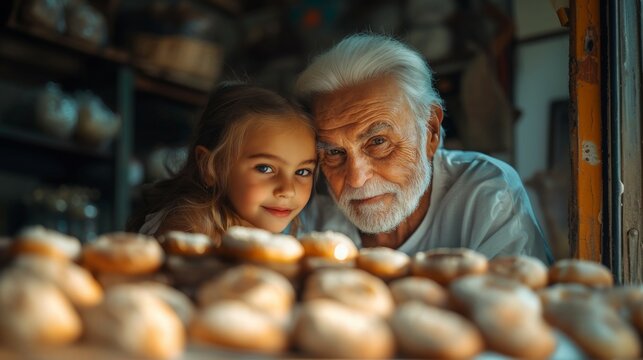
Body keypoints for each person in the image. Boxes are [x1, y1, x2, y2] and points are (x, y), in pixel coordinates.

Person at [294, 33, 553, 263]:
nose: (357, 179)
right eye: (334, 152)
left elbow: (515, 310)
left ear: (430, 131)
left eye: (378, 142)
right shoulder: (310, 212)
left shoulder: (486, 195)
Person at [127, 82, 318, 241]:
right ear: (210, 168)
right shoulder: (187, 232)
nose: (287, 190)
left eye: (302, 172)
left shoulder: (273, 232)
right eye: (265, 168)